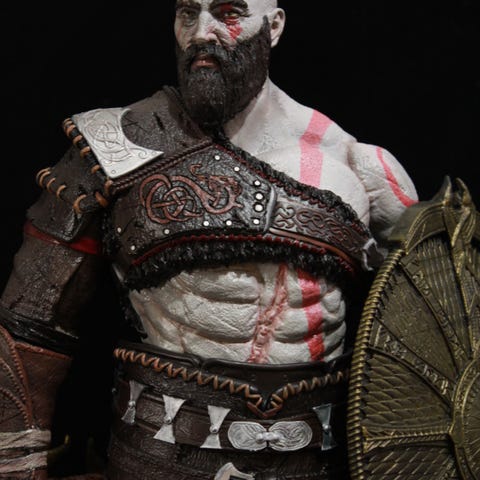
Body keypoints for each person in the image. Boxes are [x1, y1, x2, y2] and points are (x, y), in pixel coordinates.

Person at [0, 0, 418, 479]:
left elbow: (429, 326)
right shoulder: (112, 147)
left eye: (228, 12)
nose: (202, 32)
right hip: (158, 462)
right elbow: (26, 331)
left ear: (274, 26)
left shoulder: (359, 167)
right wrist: (16, 467)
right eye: (187, 14)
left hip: (315, 463)